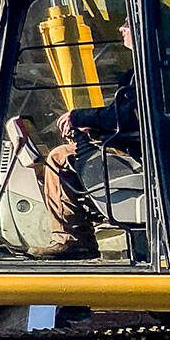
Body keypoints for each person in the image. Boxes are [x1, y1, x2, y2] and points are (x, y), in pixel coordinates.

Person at [32, 19, 136, 259]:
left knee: (58, 158)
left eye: (127, 24)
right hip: (142, 143)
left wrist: (78, 117)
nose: (121, 29)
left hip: (139, 150)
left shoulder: (147, 70)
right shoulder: (159, 65)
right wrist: (94, 127)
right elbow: (128, 116)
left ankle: (71, 238)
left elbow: (124, 116)